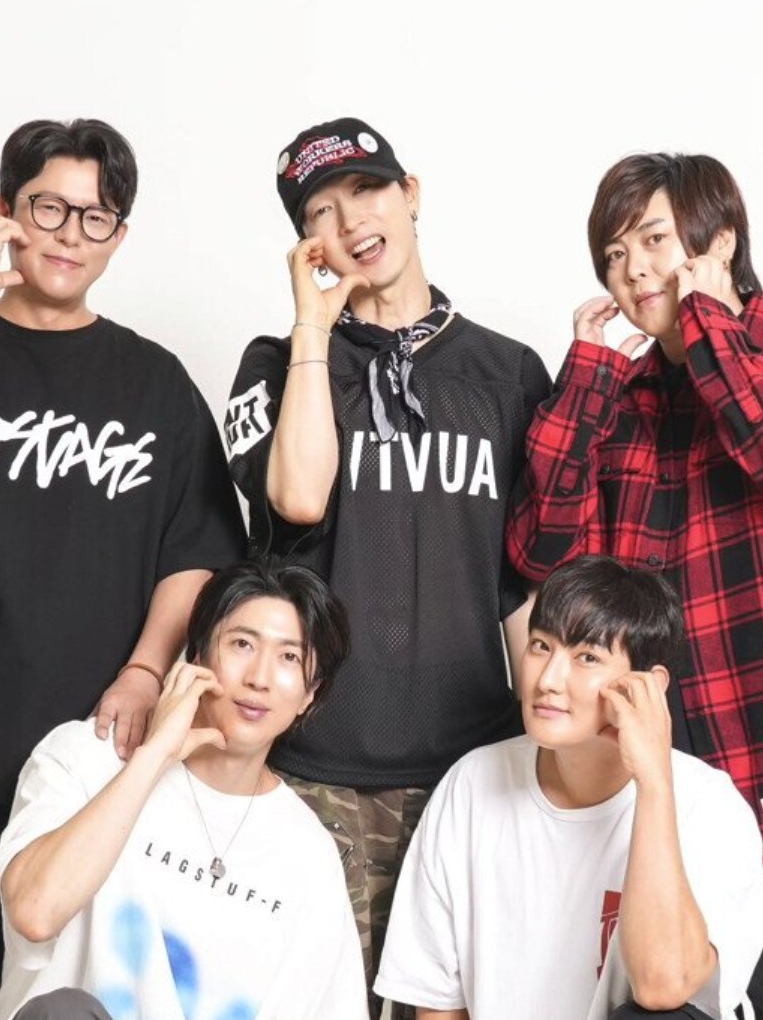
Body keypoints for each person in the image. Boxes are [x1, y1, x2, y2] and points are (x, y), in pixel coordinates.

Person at [0, 119, 245, 1019]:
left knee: (73, 1002)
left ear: (119, 236)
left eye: (95, 217)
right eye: (48, 208)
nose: (70, 234)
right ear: (3, 211)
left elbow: (200, 554)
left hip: (95, 761)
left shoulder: (157, 385)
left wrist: (145, 672)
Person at [505, 153, 763, 1017]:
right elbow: (543, 560)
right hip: (644, 823)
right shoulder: (621, 401)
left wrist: (707, 322)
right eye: (612, 254)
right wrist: (588, 378)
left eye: (652, 241)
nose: (631, 270)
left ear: (720, 242)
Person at [225, 116, 552, 1015]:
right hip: (314, 770)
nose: (351, 223)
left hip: (474, 773)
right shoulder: (278, 365)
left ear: (410, 194)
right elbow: (297, 497)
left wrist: (545, 760)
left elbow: (523, 582)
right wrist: (312, 327)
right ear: (305, 245)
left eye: (366, 191)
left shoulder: (508, 374)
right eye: (320, 214)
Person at [375, 555, 763, 1019]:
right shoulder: (471, 785)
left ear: (649, 684)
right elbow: (438, 1004)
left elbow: (663, 985)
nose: (548, 680)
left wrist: (654, 784)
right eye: (541, 646)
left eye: (587, 658)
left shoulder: (708, 806)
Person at [0, 562, 368, 1019]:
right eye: (242, 644)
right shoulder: (85, 756)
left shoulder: (309, 852)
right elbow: (34, 912)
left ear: (311, 692)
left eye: (289, 657)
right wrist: (154, 756)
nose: (260, 677)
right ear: (198, 657)